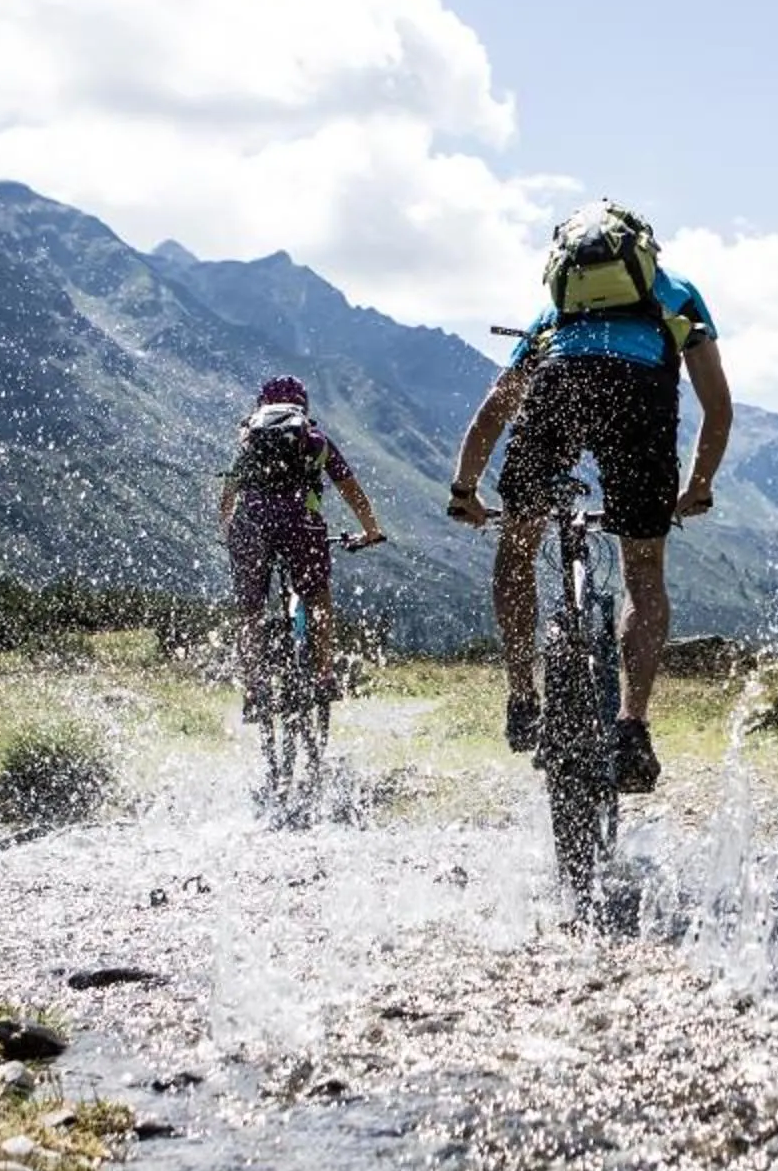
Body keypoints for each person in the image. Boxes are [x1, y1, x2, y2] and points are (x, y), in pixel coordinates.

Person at [446, 200, 732, 793]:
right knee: (644, 571)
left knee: (517, 550)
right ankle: (632, 726)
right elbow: (718, 408)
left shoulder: (556, 312)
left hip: (560, 389)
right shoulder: (676, 293)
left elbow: (494, 410)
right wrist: (697, 486)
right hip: (639, 399)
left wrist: (465, 490)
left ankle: (523, 698)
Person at [220, 376, 385, 722]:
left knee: (250, 612)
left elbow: (229, 496)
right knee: (316, 597)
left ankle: (254, 686)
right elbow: (350, 490)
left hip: (250, 527)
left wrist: (230, 534)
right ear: (303, 407)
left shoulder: (250, 438)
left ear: (261, 406)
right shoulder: (314, 440)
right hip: (301, 527)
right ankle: (323, 676)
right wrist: (370, 531)